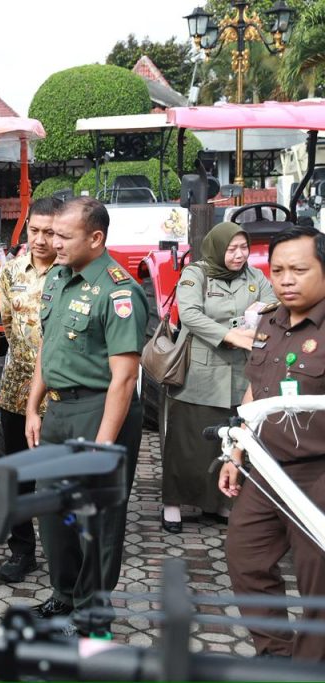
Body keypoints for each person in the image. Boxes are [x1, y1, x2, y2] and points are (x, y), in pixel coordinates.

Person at [24, 197, 146, 628]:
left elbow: (124, 379)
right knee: (53, 512)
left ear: (95, 239)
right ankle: (64, 593)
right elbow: (48, 345)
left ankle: (93, 609)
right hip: (58, 410)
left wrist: (104, 445)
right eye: (51, 233)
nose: (52, 243)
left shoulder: (119, 291)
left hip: (99, 412)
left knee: (96, 518)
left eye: (63, 235)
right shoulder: (59, 278)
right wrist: (33, 405)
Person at [219, 225, 325, 662]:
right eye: (278, 269)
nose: (286, 279)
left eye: (299, 269)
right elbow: (255, 392)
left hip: (317, 472)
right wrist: (235, 452)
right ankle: (275, 656)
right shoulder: (268, 320)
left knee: (316, 579)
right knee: (246, 560)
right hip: (265, 468)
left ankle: (309, 667)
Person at [161, 222, 276, 533]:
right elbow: (190, 315)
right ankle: (173, 502)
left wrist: (257, 324)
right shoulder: (196, 273)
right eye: (231, 248)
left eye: (243, 248)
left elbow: (271, 308)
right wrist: (230, 335)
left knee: (229, 438)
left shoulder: (255, 277)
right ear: (216, 248)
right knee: (187, 440)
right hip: (200, 369)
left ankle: (219, 503)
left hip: (239, 372)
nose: (239, 255)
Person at [0, 197, 59, 584]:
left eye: (49, 232)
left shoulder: (71, 273)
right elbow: (7, 324)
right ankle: (22, 551)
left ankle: (62, 551)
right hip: (17, 389)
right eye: (34, 230)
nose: (40, 239)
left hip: (62, 396)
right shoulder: (11, 272)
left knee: (56, 477)